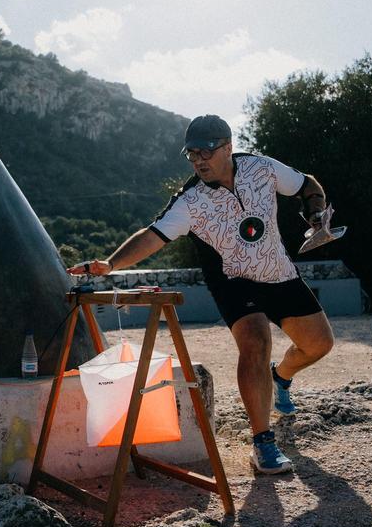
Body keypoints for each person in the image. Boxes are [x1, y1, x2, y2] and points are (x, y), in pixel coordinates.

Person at [68, 114, 335, 474]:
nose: (198, 161)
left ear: (227, 147)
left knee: (319, 344)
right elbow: (152, 236)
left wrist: (316, 213)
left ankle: (281, 376)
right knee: (255, 341)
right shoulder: (190, 201)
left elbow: (308, 185)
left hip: (279, 273)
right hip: (234, 281)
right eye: (192, 154)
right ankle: (263, 443)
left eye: (206, 152)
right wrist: (111, 263)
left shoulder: (261, 168)